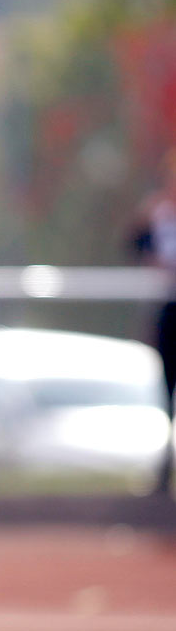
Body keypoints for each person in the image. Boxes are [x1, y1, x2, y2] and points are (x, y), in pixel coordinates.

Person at [129, 149, 176, 496]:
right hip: (169, 311)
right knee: (167, 394)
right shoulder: (156, 215)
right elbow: (134, 248)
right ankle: (165, 468)